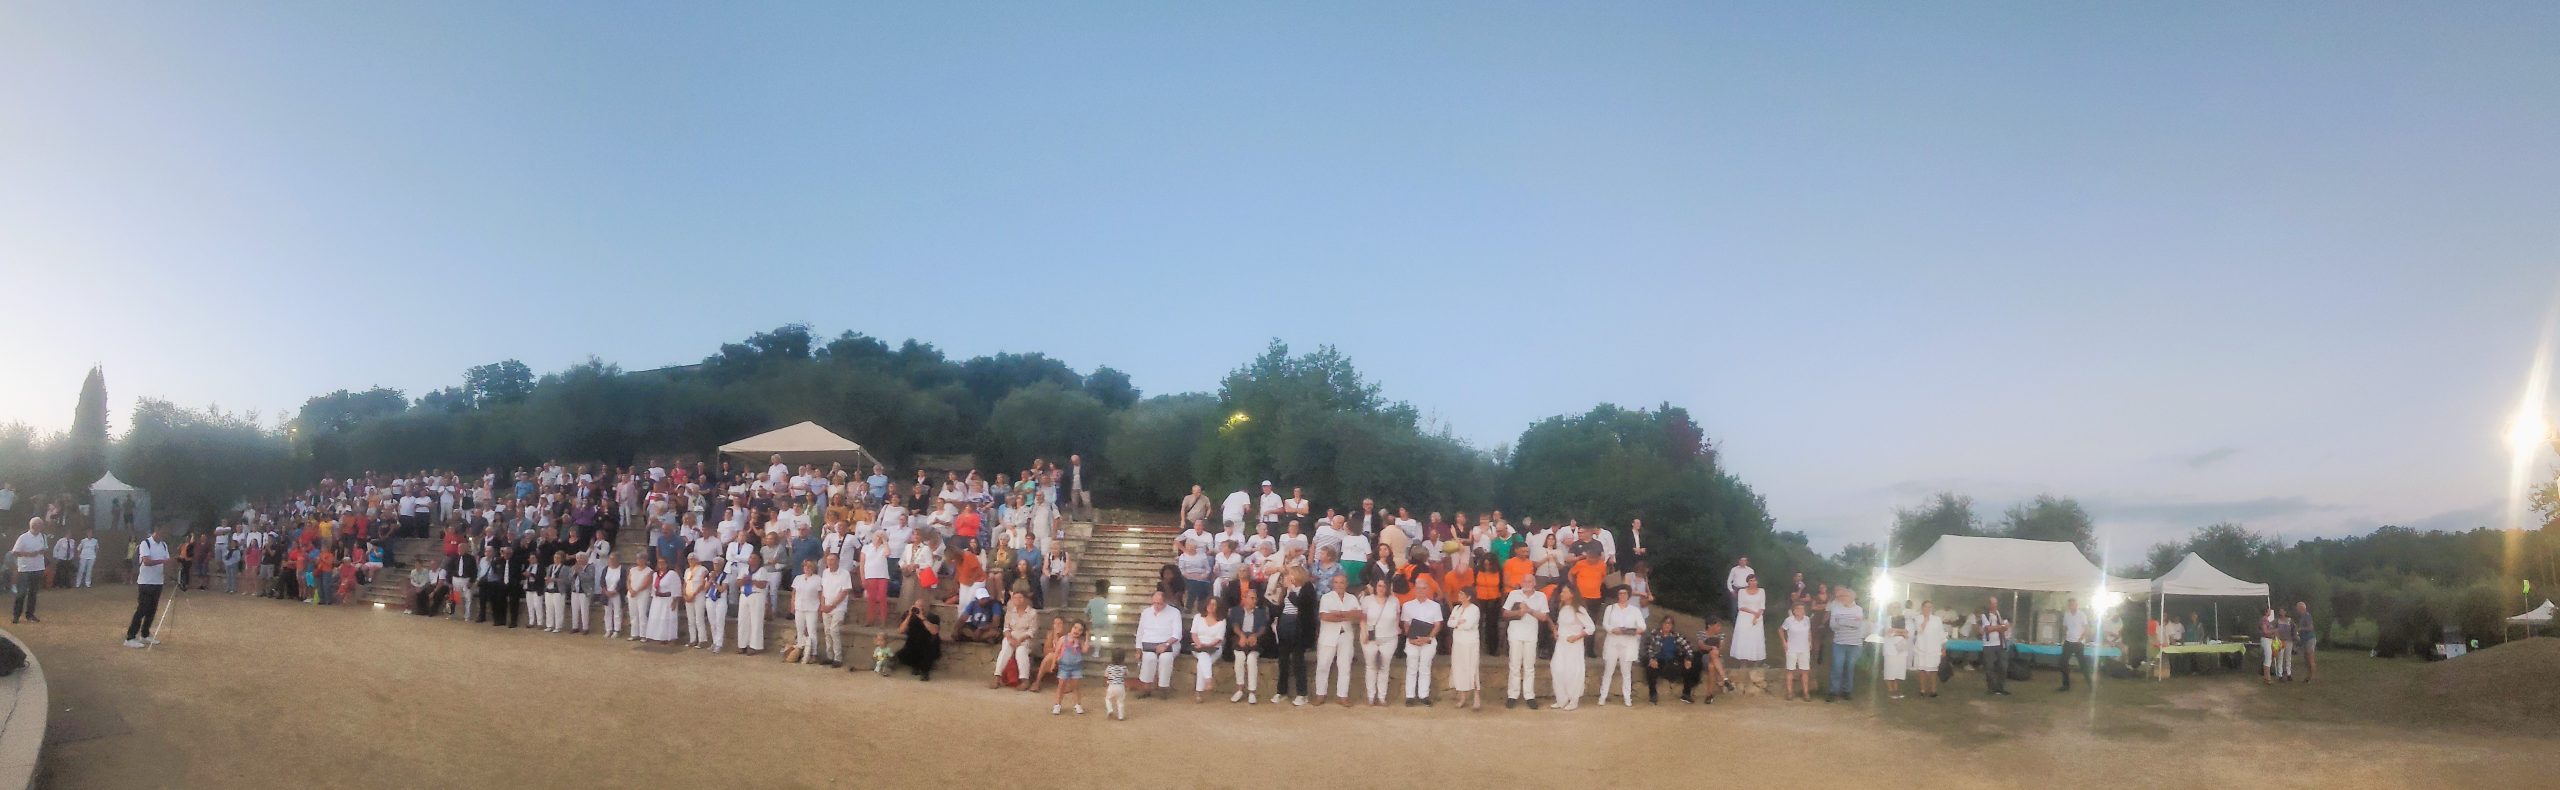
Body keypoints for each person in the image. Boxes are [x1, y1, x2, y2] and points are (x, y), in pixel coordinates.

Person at [1501, 572, 1549, 709]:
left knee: (1529, 666)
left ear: (1534, 583)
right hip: (1515, 634)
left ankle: (1529, 695)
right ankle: (1512, 695)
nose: (1527, 584)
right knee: (1514, 665)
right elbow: (1505, 613)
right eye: (1525, 581)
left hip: (1531, 635)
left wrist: (1529, 610)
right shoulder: (1514, 594)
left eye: (1530, 581)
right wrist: (1518, 613)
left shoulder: (1541, 596)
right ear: (1521, 583)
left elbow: (1544, 617)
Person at [1313, 572, 1359, 706]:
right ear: (1333, 584)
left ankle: (1343, 695)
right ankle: (1320, 694)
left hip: (1346, 635)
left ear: (1346, 584)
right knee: (1323, 665)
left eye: (1342, 582)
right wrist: (1347, 615)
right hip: (1328, 635)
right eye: (1337, 582)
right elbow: (1325, 617)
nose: (1339, 585)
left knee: (1345, 666)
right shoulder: (1326, 598)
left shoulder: (1352, 598)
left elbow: (1358, 614)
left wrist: (1339, 614)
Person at [1598, 586, 1645, 707]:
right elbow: (1605, 624)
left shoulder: (1635, 610)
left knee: (1626, 672)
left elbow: (1642, 626)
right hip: (1613, 643)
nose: (1622, 596)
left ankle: (1627, 697)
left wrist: (1633, 631)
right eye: (1620, 593)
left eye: (1624, 593)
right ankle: (1603, 696)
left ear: (1628, 595)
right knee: (1608, 670)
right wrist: (1613, 630)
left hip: (1627, 644)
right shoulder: (1610, 608)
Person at [125, 526, 171, 648]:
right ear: (157, 530)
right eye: (163, 531)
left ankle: (145, 635)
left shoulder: (164, 545)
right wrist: (162, 561)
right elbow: (146, 561)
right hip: (145, 582)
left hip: (158, 582)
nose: (164, 534)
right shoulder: (145, 544)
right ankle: (130, 637)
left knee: (152, 610)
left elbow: (167, 561)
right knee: (142, 609)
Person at [1132, 590, 1183, 699]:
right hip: (1149, 644)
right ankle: (1146, 688)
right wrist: (1138, 649)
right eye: (1154, 603)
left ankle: (1163, 688)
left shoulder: (1174, 612)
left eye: (1159, 603)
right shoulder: (1146, 612)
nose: (1156, 606)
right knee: (1149, 658)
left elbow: (1177, 634)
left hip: (1169, 644)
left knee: (1165, 658)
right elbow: (1140, 632)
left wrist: (1166, 644)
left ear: (1165, 602)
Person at [1549, 585, 1593, 710]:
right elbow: (1561, 625)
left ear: (1572, 594)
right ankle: (1561, 699)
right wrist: (1555, 630)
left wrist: (1577, 637)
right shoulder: (1563, 608)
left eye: (1565, 592)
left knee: (1572, 671)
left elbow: (1591, 627)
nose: (1561, 594)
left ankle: (1573, 700)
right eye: (1562, 592)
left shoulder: (1579, 609)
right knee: (1557, 669)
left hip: (1574, 646)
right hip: (1561, 644)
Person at [1359, 577, 1401, 707]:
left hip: (1389, 638)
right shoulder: (1367, 600)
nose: (1381, 588)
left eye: (1384, 586)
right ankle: (1371, 696)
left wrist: (1396, 630)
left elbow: (1397, 618)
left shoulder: (1394, 601)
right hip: (1370, 638)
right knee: (1371, 666)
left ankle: (1382, 696)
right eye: (1379, 586)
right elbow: (1362, 619)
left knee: (1384, 667)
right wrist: (1364, 633)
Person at [1401, 578, 1443, 707]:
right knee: (1411, 667)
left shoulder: (1435, 606)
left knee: (1425, 667)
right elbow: (1406, 624)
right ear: (1415, 589)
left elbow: (1437, 625)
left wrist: (1428, 638)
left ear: (1428, 590)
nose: (1421, 591)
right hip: (1412, 641)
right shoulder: (1407, 605)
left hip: (1428, 641)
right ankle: (1410, 696)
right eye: (1419, 588)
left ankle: (1423, 695)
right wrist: (1411, 638)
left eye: (1424, 588)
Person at [1230, 585, 1271, 704]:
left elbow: (1263, 627)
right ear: (1245, 598)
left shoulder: (1261, 612)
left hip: (1254, 639)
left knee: (1252, 659)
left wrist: (1255, 636)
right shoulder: (1236, 610)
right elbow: (1235, 625)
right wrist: (1241, 635)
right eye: (1252, 598)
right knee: (1239, 657)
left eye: (1255, 598)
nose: (1254, 600)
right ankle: (1240, 689)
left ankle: (1252, 692)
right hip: (1240, 638)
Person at [1445, 585, 1483, 709]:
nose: (1459, 595)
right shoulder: (1456, 608)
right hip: (1458, 643)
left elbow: (1468, 625)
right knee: (1459, 668)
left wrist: (1456, 623)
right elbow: (1449, 623)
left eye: (1462, 594)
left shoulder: (1474, 609)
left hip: (1470, 643)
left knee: (1472, 668)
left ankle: (1476, 696)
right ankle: (1462, 697)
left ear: (1469, 597)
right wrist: (1458, 622)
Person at [1825, 586, 1865, 702]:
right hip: (1839, 643)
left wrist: (1841, 621)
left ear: (1852, 597)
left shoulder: (1858, 609)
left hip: (1854, 644)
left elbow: (1857, 625)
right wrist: (1849, 622)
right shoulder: (1836, 608)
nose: (1843, 598)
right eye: (1842, 596)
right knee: (1837, 667)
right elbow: (1833, 626)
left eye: (1846, 596)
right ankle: (1833, 691)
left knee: (1849, 667)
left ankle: (1847, 690)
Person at [1644, 616, 1697, 704]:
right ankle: (1653, 694)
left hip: (1672, 661)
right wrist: (1652, 659)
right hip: (1658, 660)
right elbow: (1648, 648)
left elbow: (1688, 648)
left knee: (1689, 666)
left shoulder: (1676, 636)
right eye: (1666, 623)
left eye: (1670, 623)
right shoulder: (1654, 634)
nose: (1667, 625)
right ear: (1662, 624)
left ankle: (1686, 694)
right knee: (1650, 669)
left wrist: (1688, 658)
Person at [992, 593, 1040, 689]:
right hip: (1012, 637)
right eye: (1015, 598)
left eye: (1020, 597)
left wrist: (1020, 640)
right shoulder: (1010, 612)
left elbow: (1032, 630)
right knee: (1005, 649)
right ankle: (997, 676)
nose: (1018, 600)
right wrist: (1010, 638)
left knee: (1021, 651)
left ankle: (1024, 680)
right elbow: (1006, 628)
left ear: (1026, 599)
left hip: (1026, 638)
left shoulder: (1033, 613)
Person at [1189, 597, 1227, 702]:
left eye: (1214, 604)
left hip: (1214, 647)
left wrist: (1208, 645)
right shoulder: (1198, 617)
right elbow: (1193, 634)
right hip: (1198, 645)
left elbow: (1219, 638)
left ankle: (1199, 693)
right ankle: (1208, 679)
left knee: (1202, 661)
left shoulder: (1222, 621)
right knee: (1203, 655)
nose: (1211, 606)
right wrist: (1200, 644)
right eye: (1209, 603)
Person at [892, 601, 942, 680]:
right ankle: (915, 666)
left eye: (921, 606)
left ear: (925, 608)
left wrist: (923, 618)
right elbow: (901, 630)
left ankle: (924, 671)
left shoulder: (933, 617)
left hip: (928, 644)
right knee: (902, 655)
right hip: (913, 643)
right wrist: (909, 616)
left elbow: (934, 631)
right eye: (916, 606)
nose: (918, 608)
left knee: (927, 653)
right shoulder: (908, 615)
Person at [738, 552, 776, 655]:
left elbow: (763, 584)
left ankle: (754, 646)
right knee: (742, 620)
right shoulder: (744, 569)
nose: (751, 560)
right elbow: (738, 583)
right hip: (744, 595)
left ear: (759, 560)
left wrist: (751, 581)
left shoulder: (762, 570)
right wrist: (743, 580)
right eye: (750, 557)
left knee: (756, 621)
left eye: (754, 558)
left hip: (757, 595)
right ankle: (742, 644)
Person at [11, 518, 47, 624]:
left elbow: (45, 548)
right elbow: (15, 552)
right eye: (40, 525)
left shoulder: (43, 536)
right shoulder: (23, 538)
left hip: (38, 568)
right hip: (25, 569)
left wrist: (41, 551)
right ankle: (16, 615)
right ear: (34, 526)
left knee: (33, 593)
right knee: (21, 593)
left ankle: (30, 614)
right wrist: (28, 554)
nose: (42, 527)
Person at [1052, 621, 1091, 715]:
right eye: (1075, 627)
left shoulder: (1080, 641)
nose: (1077, 631)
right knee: (1061, 686)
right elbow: (1057, 651)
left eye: (1080, 630)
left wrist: (1087, 638)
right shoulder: (1063, 639)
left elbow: (1085, 650)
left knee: (1075, 687)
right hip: (1064, 666)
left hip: (1076, 667)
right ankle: (1057, 704)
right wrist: (1053, 663)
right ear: (1071, 627)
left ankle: (1077, 704)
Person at [1978, 596, 2012, 695]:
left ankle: (2000, 688)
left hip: (2001, 644)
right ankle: (1991, 688)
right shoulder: (1984, 615)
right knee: (1989, 667)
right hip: (1989, 645)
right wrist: (2000, 627)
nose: (1994, 605)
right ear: (1989, 604)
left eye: (1995, 603)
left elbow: (2006, 627)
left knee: (2003, 666)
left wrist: (1997, 627)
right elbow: (1988, 629)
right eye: (1992, 603)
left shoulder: (2000, 614)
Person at [1780, 601, 1813, 701]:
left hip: (1804, 649)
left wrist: (1810, 641)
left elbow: (1809, 631)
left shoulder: (1807, 619)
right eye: (1798, 609)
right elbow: (1781, 630)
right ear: (1793, 611)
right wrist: (1784, 642)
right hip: (1792, 648)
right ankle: (1790, 692)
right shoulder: (1789, 620)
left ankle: (1806, 693)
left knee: (1805, 671)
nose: (1801, 611)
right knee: (1790, 670)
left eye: (1802, 609)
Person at [1912, 601, 1945, 698]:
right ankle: (1922, 689)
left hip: (1934, 648)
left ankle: (1933, 690)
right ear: (1922, 608)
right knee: (1922, 669)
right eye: (1926, 607)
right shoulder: (1918, 618)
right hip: (1922, 647)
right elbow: (1919, 630)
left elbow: (1941, 633)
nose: (1928, 609)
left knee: (1933, 670)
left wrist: (1943, 647)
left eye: (1930, 607)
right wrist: (1926, 619)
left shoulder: (1937, 619)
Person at [2058, 597, 2089, 691]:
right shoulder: (2066, 615)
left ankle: (2090, 684)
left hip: (2078, 643)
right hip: (2068, 642)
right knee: (2063, 662)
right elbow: (2065, 627)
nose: (2071, 606)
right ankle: (2066, 685)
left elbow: (2087, 628)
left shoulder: (2082, 615)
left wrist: (2081, 639)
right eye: (2070, 605)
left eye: (2073, 604)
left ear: (2076, 605)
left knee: (2082, 664)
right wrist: (2064, 637)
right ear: (2069, 606)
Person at [1883, 602, 1910, 700]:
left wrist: (1896, 631)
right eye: (1894, 607)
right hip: (1890, 648)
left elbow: (1907, 632)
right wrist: (1901, 632)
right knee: (1890, 669)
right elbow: (1889, 632)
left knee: (1899, 670)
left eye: (1898, 607)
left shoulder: (1904, 619)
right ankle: (1890, 690)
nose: (1896, 609)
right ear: (1890, 608)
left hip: (1901, 648)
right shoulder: (1888, 619)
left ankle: (1896, 689)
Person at [2293, 601, 2318, 683]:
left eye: (2297, 608)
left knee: (2310, 659)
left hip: (2309, 639)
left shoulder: (2307, 616)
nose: (2297, 610)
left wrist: (2301, 629)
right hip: (2304, 640)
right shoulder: (2302, 617)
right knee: (2306, 659)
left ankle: (2312, 677)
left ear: (2302, 608)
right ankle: (2308, 676)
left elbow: (2311, 628)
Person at [1102, 649, 1131, 721]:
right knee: (1120, 701)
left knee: (1108, 699)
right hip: (1121, 687)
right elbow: (1127, 674)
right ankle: (1121, 716)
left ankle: (1110, 710)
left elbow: (1105, 675)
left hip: (1111, 686)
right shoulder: (1124, 667)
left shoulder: (1109, 667)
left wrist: (1106, 683)